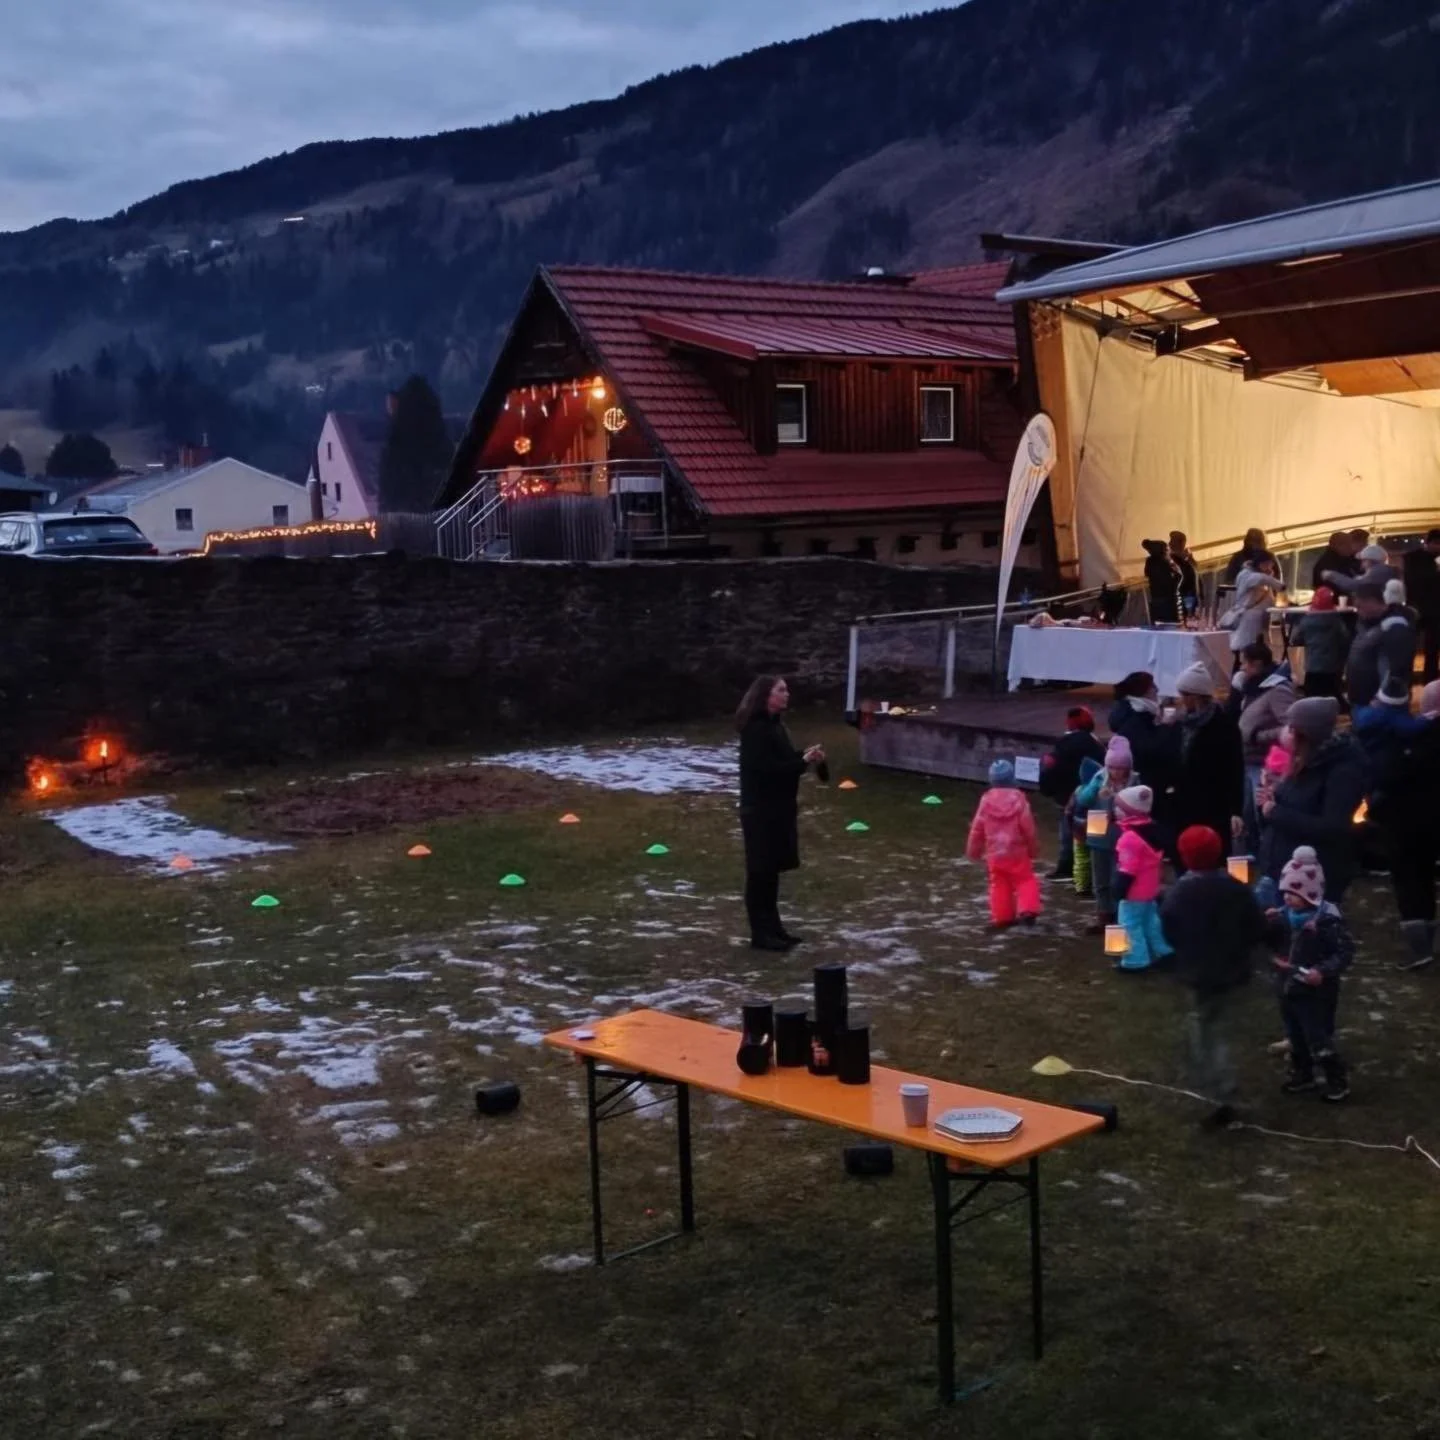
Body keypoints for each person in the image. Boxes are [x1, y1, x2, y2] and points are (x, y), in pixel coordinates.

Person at [1161, 825, 1266, 1127]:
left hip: (1200, 973)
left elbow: (1170, 930)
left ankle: (1219, 1094)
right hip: (1233, 968)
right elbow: (1255, 926)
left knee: (1208, 1030)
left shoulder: (1180, 893)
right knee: (1221, 1023)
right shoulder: (1235, 887)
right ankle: (1220, 1084)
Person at [736, 674, 825, 951]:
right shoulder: (755, 729)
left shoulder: (776, 727)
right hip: (760, 811)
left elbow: (783, 760)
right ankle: (760, 934)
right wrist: (802, 762)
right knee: (760, 872)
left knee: (771, 872)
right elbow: (768, 769)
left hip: (778, 808)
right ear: (766, 695)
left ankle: (774, 929)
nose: (787, 694)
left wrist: (804, 756)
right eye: (781, 690)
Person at [1357, 679, 1440, 971]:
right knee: (1426, 877)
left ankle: (1419, 948)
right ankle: (1427, 937)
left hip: (1406, 823)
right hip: (1429, 823)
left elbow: (1390, 777)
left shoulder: (1410, 741)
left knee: (1410, 883)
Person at [1255, 696, 1368, 908]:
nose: (1286, 732)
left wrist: (1276, 812)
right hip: (1280, 870)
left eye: (1291, 727)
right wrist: (1271, 797)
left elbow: (1333, 827)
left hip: (1309, 880)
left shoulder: (1342, 771)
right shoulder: (1304, 761)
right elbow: (1295, 804)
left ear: (1306, 734)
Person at [1264, 846, 1354, 1103]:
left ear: (1311, 894)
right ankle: (1304, 1074)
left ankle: (1336, 1079)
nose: (1288, 899)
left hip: (1316, 992)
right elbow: (1270, 944)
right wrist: (1266, 924)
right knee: (1295, 1034)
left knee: (1318, 1037)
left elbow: (1345, 953)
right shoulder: (1283, 916)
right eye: (1286, 893)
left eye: (1295, 894)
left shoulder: (1327, 922)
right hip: (1288, 988)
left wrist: (1322, 971)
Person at [1169, 663, 1245, 862]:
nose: (1181, 699)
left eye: (1185, 694)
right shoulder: (1181, 722)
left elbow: (1234, 769)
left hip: (1213, 804)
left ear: (1197, 696)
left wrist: (1235, 810)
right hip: (1184, 803)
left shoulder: (1223, 726)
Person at [1230, 641, 1295, 853]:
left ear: (1257, 664)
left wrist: (1259, 736)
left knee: (1262, 809)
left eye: (1245, 664)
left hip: (1266, 761)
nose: (1241, 668)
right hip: (1248, 758)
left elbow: (1290, 726)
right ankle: (1253, 850)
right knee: (1248, 809)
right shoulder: (1253, 687)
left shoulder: (1277, 690)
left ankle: (1268, 851)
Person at [966, 759, 1041, 929]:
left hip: (994, 854)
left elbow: (977, 828)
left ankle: (1002, 918)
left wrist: (974, 851)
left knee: (999, 884)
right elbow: (1028, 828)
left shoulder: (985, 801)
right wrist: (1033, 849)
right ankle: (1028, 911)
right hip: (1016, 852)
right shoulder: (1020, 799)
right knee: (1025, 880)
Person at [1072, 735, 1136, 933]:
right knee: (1100, 879)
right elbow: (1082, 800)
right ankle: (1103, 915)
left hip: (1123, 839)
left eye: (1120, 768)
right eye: (1112, 767)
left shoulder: (1135, 782)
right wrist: (1093, 790)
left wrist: (1119, 798)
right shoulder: (1100, 777)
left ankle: (1119, 917)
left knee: (1118, 879)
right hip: (1098, 835)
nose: (1115, 772)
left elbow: (1140, 808)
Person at [1038, 706, 1105, 880]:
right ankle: (1097, 868)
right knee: (1096, 832)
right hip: (1096, 796)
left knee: (1068, 832)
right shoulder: (1096, 744)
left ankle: (1067, 867)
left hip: (1067, 796)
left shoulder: (1064, 744)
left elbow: (1052, 768)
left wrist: (1047, 789)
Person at [1111, 785, 1173, 972]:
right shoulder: (1152, 831)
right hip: (1150, 888)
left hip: (1134, 891)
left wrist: (1119, 888)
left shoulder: (1129, 838)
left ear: (1129, 812)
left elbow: (1128, 868)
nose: (1115, 810)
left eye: (1119, 808)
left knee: (1129, 924)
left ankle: (1135, 961)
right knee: (1150, 921)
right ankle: (1163, 951)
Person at [1344, 578, 1417, 709]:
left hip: (1378, 704)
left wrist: (1383, 697)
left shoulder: (1394, 626)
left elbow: (1397, 666)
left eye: (1360, 606)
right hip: (1362, 699)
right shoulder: (1370, 623)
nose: (1358, 611)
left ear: (1372, 601)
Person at [1289, 586, 1351, 701]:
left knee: (1311, 699)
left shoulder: (1306, 621)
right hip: (1333, 667)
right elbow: (1345, 640)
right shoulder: (1337, 622)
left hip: (1312, 667)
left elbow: (1295, 640)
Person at [1402, 529, 1440, 684]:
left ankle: (1430, 681)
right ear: (1428, 543)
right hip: (1417, 607)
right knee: (1409, 646)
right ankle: (1406, 679)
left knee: (1433, 648)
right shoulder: (1413, 558)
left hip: (1436, 609)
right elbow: (1413, 580)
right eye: (1436, 544)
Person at [1223, 556, 1282, 656]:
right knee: (1249, 647)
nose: (1270, 569)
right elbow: (1276, 584)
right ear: (1261, 564)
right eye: (1268, 565)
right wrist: (1273, 580)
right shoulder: (1251, 576)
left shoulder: (1251, 575)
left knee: (1254, 647)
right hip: (1252, 617)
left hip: (1258, 617)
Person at [1323, 542, 1400, 596]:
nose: (1362, 564)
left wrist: (1331, 575)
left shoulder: (1378, 571)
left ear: (1370, 560)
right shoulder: (1383, 571)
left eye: (1363, 560)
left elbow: (1355, 586)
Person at [1143, 538, 1182, 625]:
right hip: (1168, 601)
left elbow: (1147, 574)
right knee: (1171, 626)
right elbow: (1178, 576)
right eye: (1167, 549)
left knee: (1159, 627)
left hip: (1156, 599)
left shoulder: (1149, 561)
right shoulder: (1165, 562)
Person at [1169, 531, 1200, 620]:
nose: (1170, 543)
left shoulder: (1186, 556)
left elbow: (1195, 568)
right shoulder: (1171, 558)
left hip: (1190, 592)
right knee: (1183, 617)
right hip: (1181, 594)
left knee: (1191, 617)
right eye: (1171, 540)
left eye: (1172, 540)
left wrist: (1190, 558)